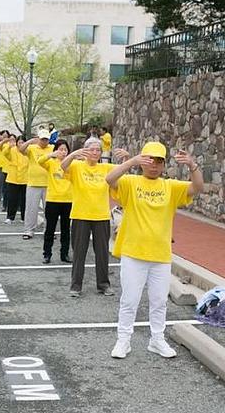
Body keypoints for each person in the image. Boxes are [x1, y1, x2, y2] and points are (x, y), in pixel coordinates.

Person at [105, 142, 203, 360]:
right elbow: (110, 179)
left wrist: (192, 165)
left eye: (159, 161)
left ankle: (157, 340)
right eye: (149, 160)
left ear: (164, 164)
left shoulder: (170, 187)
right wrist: (131, 161)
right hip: (133, 253)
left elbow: (197, 188)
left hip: (161, 255)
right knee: (130, 300)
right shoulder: (131, 182)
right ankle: (123, 340)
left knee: (159, 301)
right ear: (142, 161)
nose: (153, 165)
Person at [62, 138, 128, 297]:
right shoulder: (77, 166)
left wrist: (126, 158)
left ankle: (103, 285)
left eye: (98, 150)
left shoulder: (106, 167)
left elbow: (122, 172)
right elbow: (63, 166)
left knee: (102, 252)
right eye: (91, 149)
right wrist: (73, 154)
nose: (95, 153)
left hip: (101, 216)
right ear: (85, 151)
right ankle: (76, 286)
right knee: (79, 252)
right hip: (80, 215)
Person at [37, 139, 74, 265]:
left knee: (66, 229)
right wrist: (51, 155)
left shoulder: (72, 164)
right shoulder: (51, 163)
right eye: (60, 149)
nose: (63, 152)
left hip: (68, 200)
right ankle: (47, 254)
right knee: (50, 229)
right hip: (53, 200)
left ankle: (65, 254)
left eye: (65, 149)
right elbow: (40, 161)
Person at [18, 129, 54, 239]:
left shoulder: (52, 148)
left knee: (49, 210)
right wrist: (30, 141)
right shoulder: (32, 148)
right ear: (38, 139)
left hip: (49, 183)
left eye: (46, 139)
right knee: (31, 209)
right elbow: (21, 150)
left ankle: (49, 230)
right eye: (42, 139)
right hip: (33, 183)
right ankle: (28, 230)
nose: (44, 141)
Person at [0, 135, 27, 224]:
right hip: (13, 179)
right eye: (19, 142)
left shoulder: (28, 151)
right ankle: (10, 217)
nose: (21, 144)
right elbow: (5, 153)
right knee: (12, 199)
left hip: (25, 179)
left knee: (24, 200)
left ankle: (24, 217)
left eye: (23, 142)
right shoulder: (12, 150)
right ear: (16, 143)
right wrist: (9, 146)